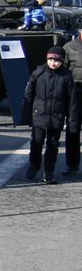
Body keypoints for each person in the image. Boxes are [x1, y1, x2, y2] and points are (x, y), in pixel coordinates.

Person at [22, 46, 73, 184]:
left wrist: (70, 119)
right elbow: (29, 94)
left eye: (56, 60)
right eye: (51, 59)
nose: (53, 63)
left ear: (62, 61)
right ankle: (34, 165)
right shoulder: (38, 73)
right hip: (39, 115)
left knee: (52, 145)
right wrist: (26, 115)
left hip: (56, 116)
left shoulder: (67, 76)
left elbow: (70, 100)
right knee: (36, 143)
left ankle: (49, 171)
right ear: (47, 59)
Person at [63, 30, 82, 174]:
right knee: (72, 129)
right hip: (74, 93)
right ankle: (72, 164)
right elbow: (61, 71)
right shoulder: (69, 47)